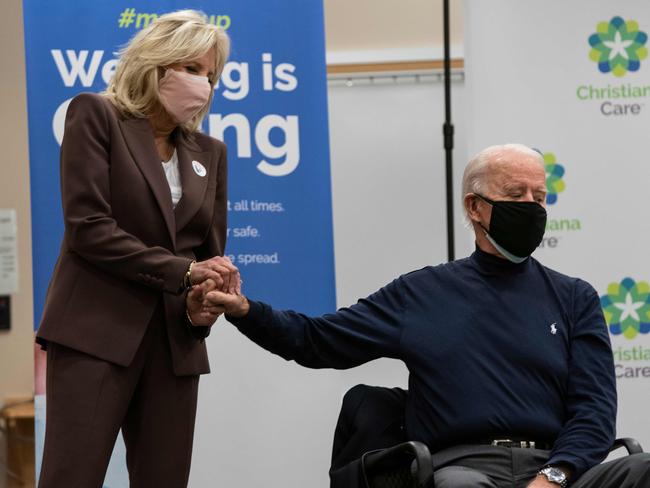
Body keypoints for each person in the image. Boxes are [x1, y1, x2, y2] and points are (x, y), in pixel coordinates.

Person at [203, 144, 650, 487]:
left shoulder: (575, 298)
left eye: (540, 195)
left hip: (558, 469)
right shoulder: (422, 293)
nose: (532, 205)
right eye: (516, 194)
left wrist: (552, 477)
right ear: (476, 208)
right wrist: (245, 310)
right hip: (462, 467)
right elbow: (317, 340)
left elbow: (594, 412)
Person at [36, 10, 237, 487]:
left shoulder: (211, 152)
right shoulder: (96, 115)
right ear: (156, 63)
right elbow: (88, 228)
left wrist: (204, 294)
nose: (202, 85)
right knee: (72, 477)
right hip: (95, 334)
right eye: (191, 69)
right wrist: (183, 273)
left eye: (209, 76)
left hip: (174, 345)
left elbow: (204, 253)